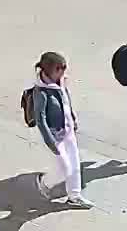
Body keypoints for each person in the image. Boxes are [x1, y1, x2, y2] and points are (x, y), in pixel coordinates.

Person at [29, 51, 91, 208]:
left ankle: (74, 196)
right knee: (64, 168)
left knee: (75, 164)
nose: (64, 71)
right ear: (50, 70)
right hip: (55, 136)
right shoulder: (41, 92)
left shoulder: (61, 82)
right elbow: (41, 120)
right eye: (61, 68)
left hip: (67, 130)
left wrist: (73, 118)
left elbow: (66, 101)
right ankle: (44, 183)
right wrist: (51, 143)